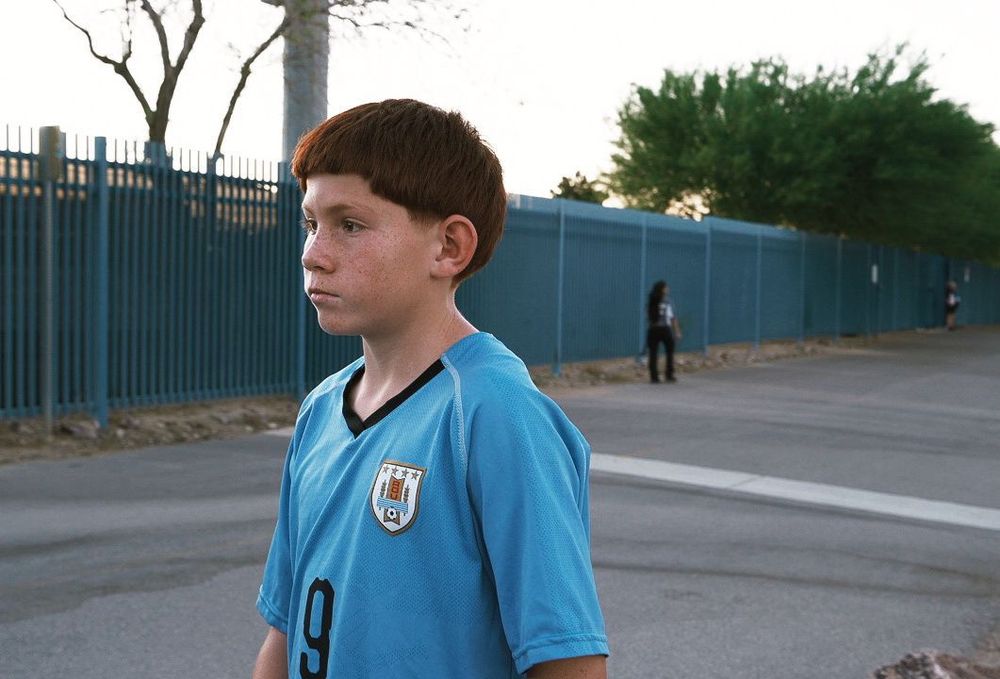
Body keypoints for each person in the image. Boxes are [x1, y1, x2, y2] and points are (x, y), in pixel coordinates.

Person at [252, 100, 608, 679]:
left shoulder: (495, 413)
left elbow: (569, 660)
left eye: (349, 225)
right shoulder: (320, 409)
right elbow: (286, 628)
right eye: (311, 223)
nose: (313, 254)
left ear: (449, 247)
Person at [646, 280, 682, 383]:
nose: (668, 289)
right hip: (665, 329)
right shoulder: (668, 301)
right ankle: (669, 374)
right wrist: (677, 331)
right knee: (670, 351)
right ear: (663, 289)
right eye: (666, 287)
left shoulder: (651, 301)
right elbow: (672, 317)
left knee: (653, 353)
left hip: (653, 329)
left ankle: (654, 377)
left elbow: (648, 316)